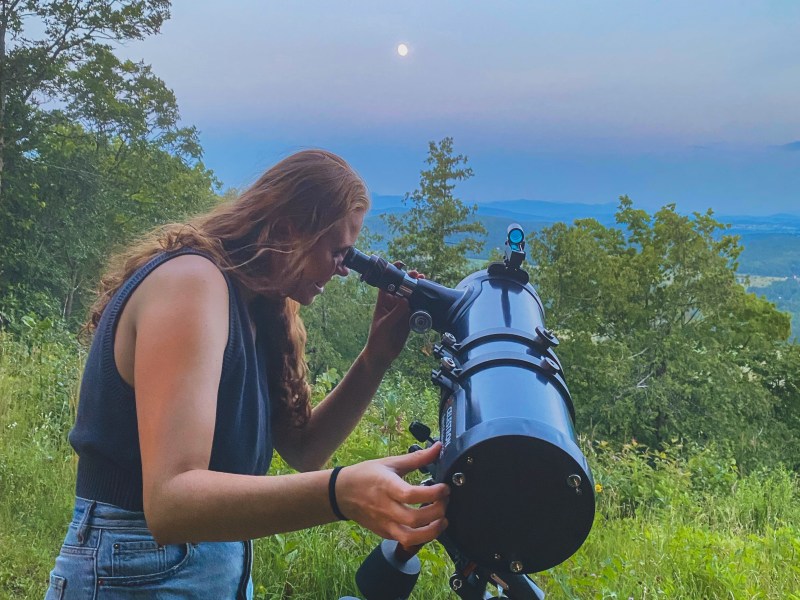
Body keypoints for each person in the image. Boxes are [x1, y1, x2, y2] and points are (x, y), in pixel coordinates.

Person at [46, 149, 449, 599]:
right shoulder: (192, 283)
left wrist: (377, 355)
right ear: (286, 231)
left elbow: (305, 449)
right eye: (338, 252)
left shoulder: (259, 309)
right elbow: (170, 503)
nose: (342, 269)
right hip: (133, 568)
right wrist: (340, 494)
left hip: (208, 565)